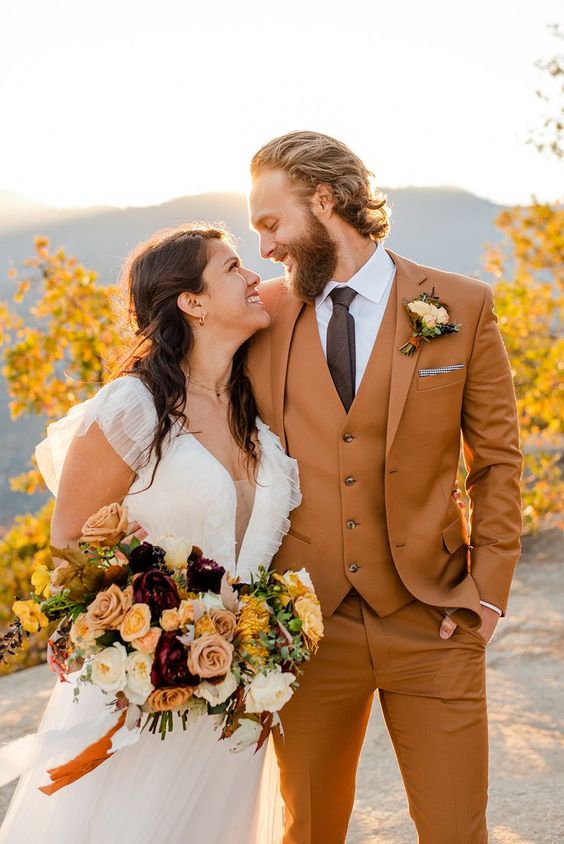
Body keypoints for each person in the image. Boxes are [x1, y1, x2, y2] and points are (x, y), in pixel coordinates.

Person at [247, 130, 523, 844]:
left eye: (272, 224)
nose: (266, 250)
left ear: (325, 198)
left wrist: (486, 595)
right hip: (306, 628)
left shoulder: (459, 305)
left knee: (457, 830)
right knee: (308, 831)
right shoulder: (262, 318)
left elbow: (497, 463)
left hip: (433, 616)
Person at [0, 225, 299, 843]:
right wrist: (150, 633)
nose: (253, 278)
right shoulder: (133, 406)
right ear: (192, 302)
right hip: (140, 692)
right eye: (233, 267)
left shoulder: (259, 414)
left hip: (235, 694)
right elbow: (71, 543)